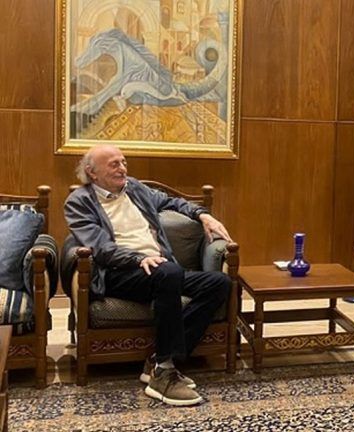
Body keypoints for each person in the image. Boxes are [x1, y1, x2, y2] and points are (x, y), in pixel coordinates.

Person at [64, 145, 232, 406]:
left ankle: (157, 360)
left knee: (220, 283)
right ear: (92, 172)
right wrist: (138, 258)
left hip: (160, 270)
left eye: (123, 162)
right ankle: (164, 373)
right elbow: (100, 248)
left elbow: (173, 202)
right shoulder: (79, 201)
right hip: (119, 273)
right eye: (114, 164)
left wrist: (203, 215)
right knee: (168, 272)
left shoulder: (135, 188)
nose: (122, 168)